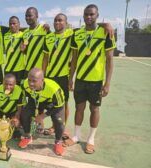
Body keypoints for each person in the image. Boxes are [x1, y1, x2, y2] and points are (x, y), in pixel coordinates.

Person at [63, 4, 116, 154]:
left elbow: (110, 60)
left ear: (97, 15)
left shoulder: (105, 32)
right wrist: (70, 78)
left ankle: (91, 139)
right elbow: (73, 59)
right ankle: (76, 136)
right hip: (80, 79)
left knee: (94, 108)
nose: (88, 17)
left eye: (92, 14)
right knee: (79, 108)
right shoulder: (77, 34)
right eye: (86, 14)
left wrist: (107, 83)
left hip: (96, 81)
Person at [19, 68, 65, 156]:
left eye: (34, 81)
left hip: (52, 104)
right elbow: (26, 97)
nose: (31, 84)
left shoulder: (54, 89)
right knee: (24, 113)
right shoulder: (25, 84)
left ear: (42, 80)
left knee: (59, 120)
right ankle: (28, 136)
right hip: (36, 100)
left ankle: (58, 142)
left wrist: (42, 116)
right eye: (29, 80)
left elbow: (59, 106)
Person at [42, 13, 73, 137]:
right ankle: (53, 126)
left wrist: (105, 24)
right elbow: (45, 58)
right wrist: (43, 76)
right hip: (49, 77)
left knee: (64, 103)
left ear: (66, 22)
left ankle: (62, 127)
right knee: (52, 103)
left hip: (63, 76)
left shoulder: (71, 34)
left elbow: (89, 26)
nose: (57, 23)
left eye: (60, 20)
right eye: (55, 20)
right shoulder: (48, 37)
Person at [0, 73, 25, 138]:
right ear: (3, 82)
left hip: (13, 112)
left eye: (11, 85)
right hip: (1, 111)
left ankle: (16, 129)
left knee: (17, 122)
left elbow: (19, 109)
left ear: (15, 83)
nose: (8, 87)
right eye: (6, 84)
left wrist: (16, 118)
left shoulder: (19, 91)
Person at [21, 7, 49, 78]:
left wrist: (44, 71)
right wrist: (23, 50)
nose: (27, 18)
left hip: (40, 70)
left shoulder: (44, 29)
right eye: (26, 16)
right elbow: (25, 51)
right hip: (27, 69)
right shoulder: (25, 33)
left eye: (30, 15)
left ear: (37, 16)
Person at [3, 16, 25, 85]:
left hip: (20, 69)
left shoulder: (23, 35)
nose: (12, 25)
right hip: (8, 69)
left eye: (14, 23)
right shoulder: (5, 35)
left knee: (20, 90)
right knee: (9, 89)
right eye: (10, 24)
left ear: (19, 24)